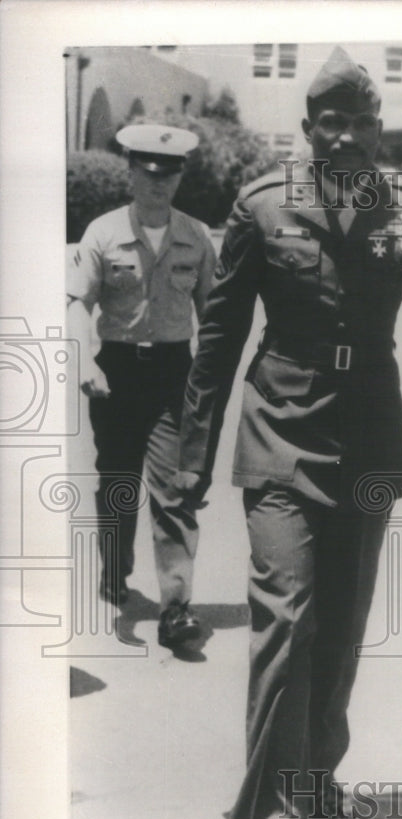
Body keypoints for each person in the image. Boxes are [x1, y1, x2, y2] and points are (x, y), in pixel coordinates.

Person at [175, 47, 402, 819]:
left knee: (342, 625)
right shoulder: (262, 206)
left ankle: (317, 773)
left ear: (378, 133)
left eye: (360, 123)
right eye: (331, 122)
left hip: (368, 437)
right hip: (279, 426)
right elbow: (217, 338)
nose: (345, 136)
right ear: (310, 129)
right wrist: (190, 455)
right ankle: (281, 797)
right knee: (288, 613)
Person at [67, 123, 217, 648]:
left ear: (179, 177)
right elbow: (75, 302)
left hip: (173, 374)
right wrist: (84, 358)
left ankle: (177, 609)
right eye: (148, 172)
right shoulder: (103, 233)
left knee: (175, 490)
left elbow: (214, 318)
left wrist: (212, 384)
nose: (158, 183)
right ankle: (114, 571)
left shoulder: (196, 237)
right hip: (117, 372)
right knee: (117, 486)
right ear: (130, 171)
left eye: (169, 174)